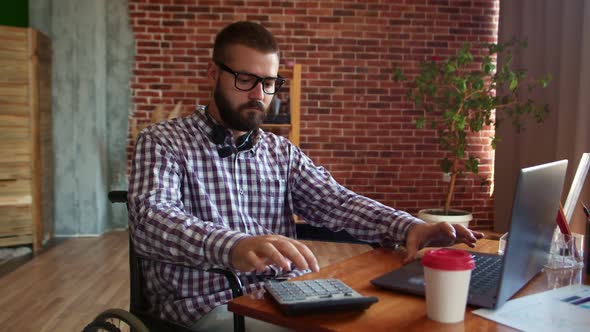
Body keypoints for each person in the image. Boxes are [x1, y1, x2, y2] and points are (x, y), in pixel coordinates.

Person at [128, 21, 484, 331]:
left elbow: (336, 201)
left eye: (269, 82)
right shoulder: (163, 141)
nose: (259, 95)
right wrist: (233, 246)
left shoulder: (279, 152)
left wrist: (408, 227)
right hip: (208, 305)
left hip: (285, 295)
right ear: (212, 74)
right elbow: (152, 220)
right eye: (245, 79)